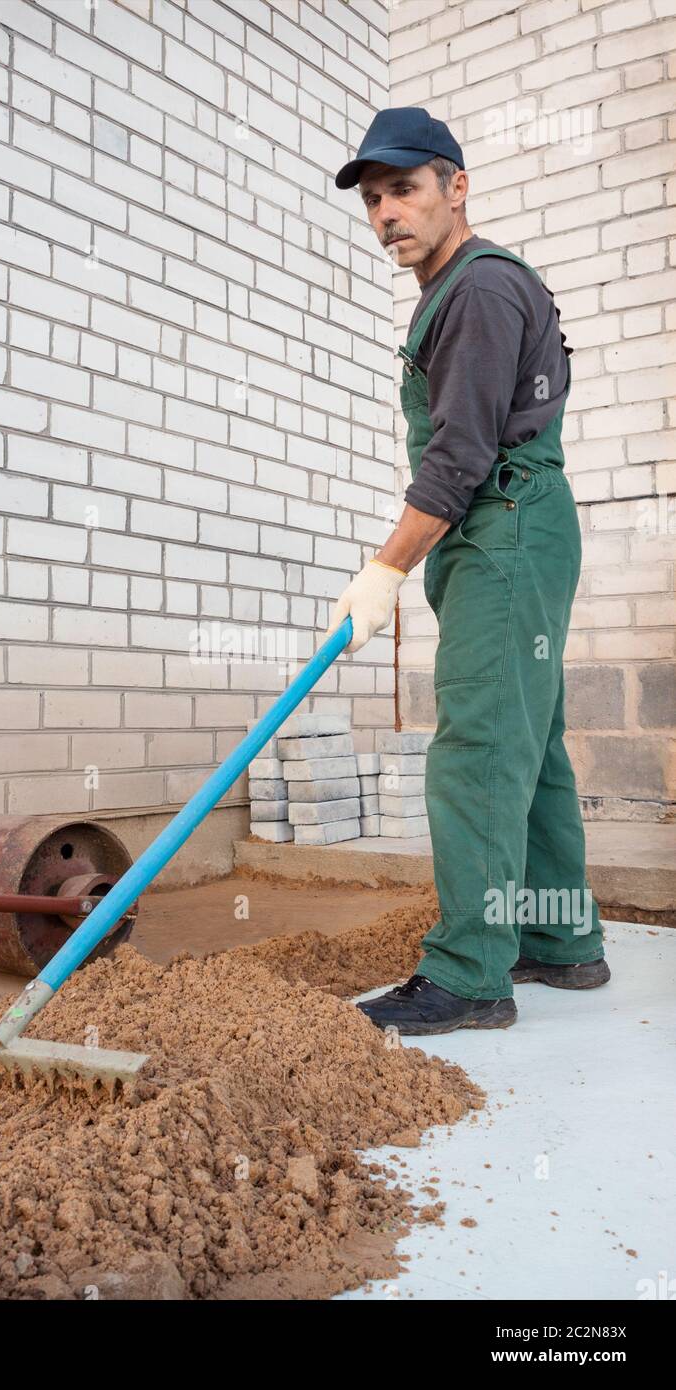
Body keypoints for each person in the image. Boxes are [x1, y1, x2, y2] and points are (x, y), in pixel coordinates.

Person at [326, 107, 609, 1035]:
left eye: (403, 190)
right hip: (517, 528)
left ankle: (469, 975)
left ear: (456, 185)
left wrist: (383, 570)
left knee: (479, 747)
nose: (385, 216)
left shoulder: (478, 289)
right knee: (530, 743)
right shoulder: (460, 287)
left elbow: (459, 457)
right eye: (372, 200)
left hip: (507, 524)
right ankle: (558, 942)